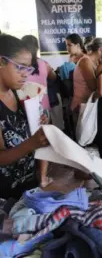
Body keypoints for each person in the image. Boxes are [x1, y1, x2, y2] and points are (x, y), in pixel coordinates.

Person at [0, 34, 49, 199]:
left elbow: (30, 128)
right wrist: (32, 143)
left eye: (28, 68)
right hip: (6, 196)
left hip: (28, 188)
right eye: (20, 67)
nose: (25, 74)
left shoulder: (20, 94)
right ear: (1, 61)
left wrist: (42, 119)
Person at [21, 35, 57, 118]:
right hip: (44, 107)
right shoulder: (45, 64)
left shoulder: (19, 66)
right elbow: (54, 77)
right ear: (37, 48)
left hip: (25, 108)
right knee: (45, 130)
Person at [69, 37, 102, 112]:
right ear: (101, 49)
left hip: (87, 105)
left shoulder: (94, 62)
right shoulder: (85, 61)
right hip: (81, 106)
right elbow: (93, 87)